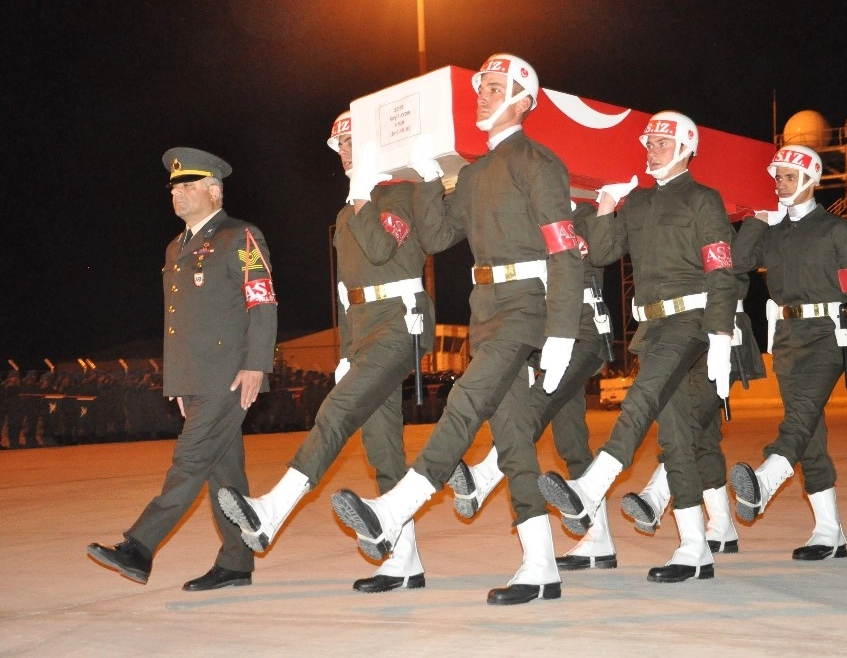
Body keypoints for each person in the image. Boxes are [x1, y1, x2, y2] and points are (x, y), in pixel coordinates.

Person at [331, 53, 584, 605]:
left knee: (466, 400)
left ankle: (393, 510)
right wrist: (426, 179)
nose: (483, 96)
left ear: (523, 100)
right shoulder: (472, 173)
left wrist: (562, 331)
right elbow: (440, 235)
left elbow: (565, 251)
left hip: (528, 306)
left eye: (495, 89)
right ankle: (541, 565)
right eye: (481, 88)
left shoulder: (538, 163)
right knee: (515, 441)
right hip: (487, 308)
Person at [216, 112, 436, 594]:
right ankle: (405, 562)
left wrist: (361, 195)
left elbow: (380, 249)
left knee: (335, 412)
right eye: (342, 142)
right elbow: (344, 291)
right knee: (383, 449)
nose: (347, 149)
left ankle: (272, 510)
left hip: (401, 324)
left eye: (356, 139)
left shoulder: (400, 193)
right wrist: (344, 350)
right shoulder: (344, 213)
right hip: (363, 331)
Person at [538, 111, 737, 584]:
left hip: (691, 322)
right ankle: (694, 547)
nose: (652, 148)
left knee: (641, 397)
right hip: (654, 328)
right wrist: (606, 207)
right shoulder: (640, 204)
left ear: (687, 148)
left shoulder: (704, 200)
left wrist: (722, 336)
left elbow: (722, 270)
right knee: (674, 437)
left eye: (663, 143)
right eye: (650, 141)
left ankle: (592, 485)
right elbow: (603, 253)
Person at [87, 148, 278, 590]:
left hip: (229, 374)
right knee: (223, 471)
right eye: (174, 187)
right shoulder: (176, 246)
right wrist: (177, 378)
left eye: (188, 185)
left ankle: (140, 547)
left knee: (189, 460)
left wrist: (256, 364)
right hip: (195, 377)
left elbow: (262, 301)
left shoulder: (240, 235)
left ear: (215, 190)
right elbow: (178, 320)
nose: (178, 194)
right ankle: (237, 562)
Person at [728, 144, 847, 561]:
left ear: (811, 181)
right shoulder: (774, 232)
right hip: (787, 338)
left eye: (790, 176)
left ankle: (765, 478)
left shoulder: (838, 231)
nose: (781, 183)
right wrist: (758, 222)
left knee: (799, 418)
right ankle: (830, 531)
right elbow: (738, 263)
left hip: (827, 336)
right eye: (777, 176)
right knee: (809, 430)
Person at [446, 200, 617, 571]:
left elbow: (603, 252)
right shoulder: (536, 217)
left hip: (585, 330)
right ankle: (599, 538)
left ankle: (486, 474)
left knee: (537, 403)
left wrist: (605, 208)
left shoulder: (587, 214)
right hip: (549, 333)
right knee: (571, 442)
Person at [621, 271, 766, 554]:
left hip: (724, 338)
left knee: (687, 425)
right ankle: (722, 527)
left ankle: (655, 497)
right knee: (703, 437)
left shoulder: (718, 235)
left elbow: (735, 274)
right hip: (691, 337)